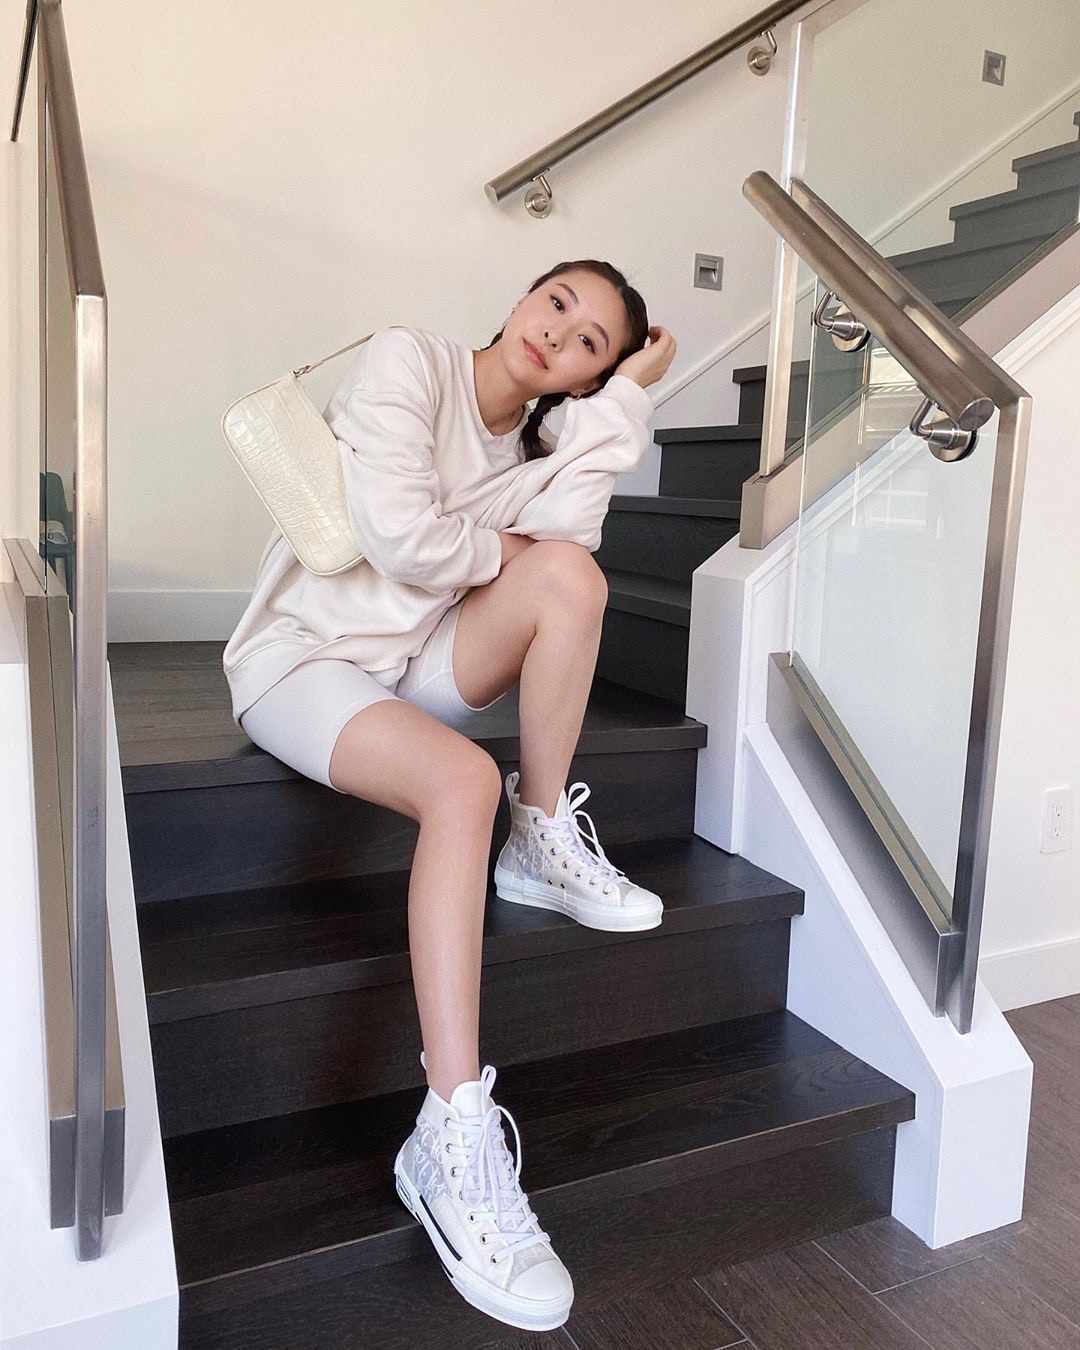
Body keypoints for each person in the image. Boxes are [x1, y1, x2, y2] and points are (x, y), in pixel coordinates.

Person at [222, 259, 676, 1331]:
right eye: (558, 303)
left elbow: (571, 545)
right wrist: (498, 547)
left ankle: (540, 829)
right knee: (464, 779)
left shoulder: (548, 450)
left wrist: (627, 401)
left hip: (415, 659)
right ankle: (451, 1129)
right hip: (306, 656)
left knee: (573, 578)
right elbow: (395, 532)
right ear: (524, 297)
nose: (559, 334)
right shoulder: (410, 361)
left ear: (587, 379)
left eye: (591, 344)